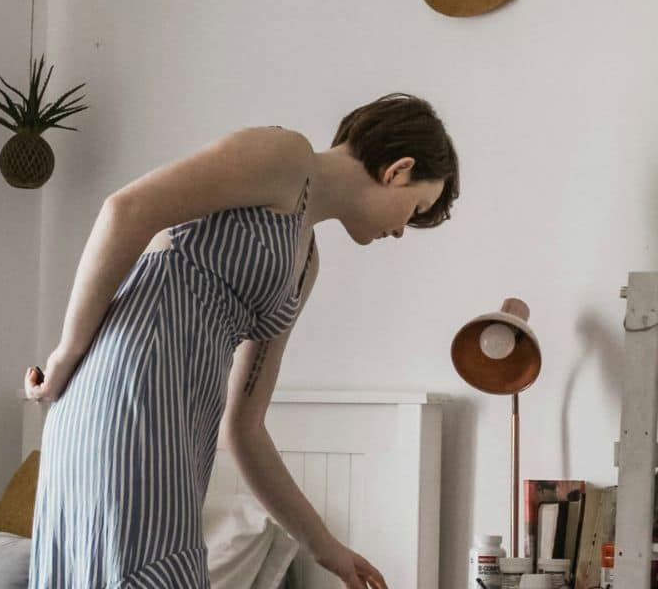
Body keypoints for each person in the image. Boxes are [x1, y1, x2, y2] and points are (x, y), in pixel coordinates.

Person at [22, 92, 459, 589]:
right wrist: (68, 351)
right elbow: (127, 209)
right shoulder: (286, 156)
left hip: (182, 417)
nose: (402, 231)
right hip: (127, 387)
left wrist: (329, 550)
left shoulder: (304, 265)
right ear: (398, 170)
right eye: (415, 208)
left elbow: (246, 429)